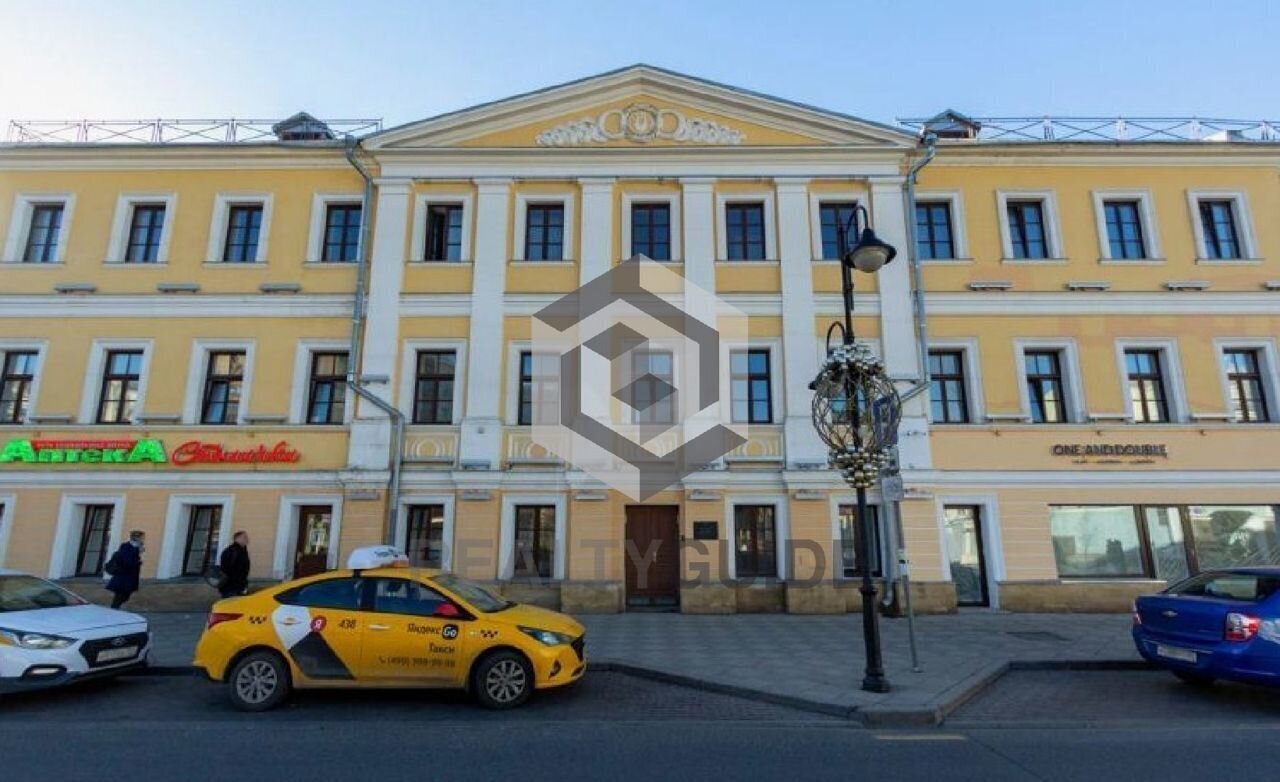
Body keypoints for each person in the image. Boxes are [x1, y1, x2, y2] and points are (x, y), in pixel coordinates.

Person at [105, 530, 145, 610]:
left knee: (126, 596)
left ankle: (114, 609)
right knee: (121, 596)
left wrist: (138, 553)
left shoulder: (137, 547)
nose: (143, 539)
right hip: (123, 577)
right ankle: (113, 611)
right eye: (141, 537)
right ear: (136, 538)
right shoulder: (126, 546)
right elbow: (127, 561)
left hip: (130, 577)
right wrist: (138, 561)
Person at [217, 531, 251, 598]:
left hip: (239, 587)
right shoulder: (231, 551)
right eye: (245, 537)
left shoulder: (242, 551)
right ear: (238, 538)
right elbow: (226, 570)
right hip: (231, 588)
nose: (247, 539)